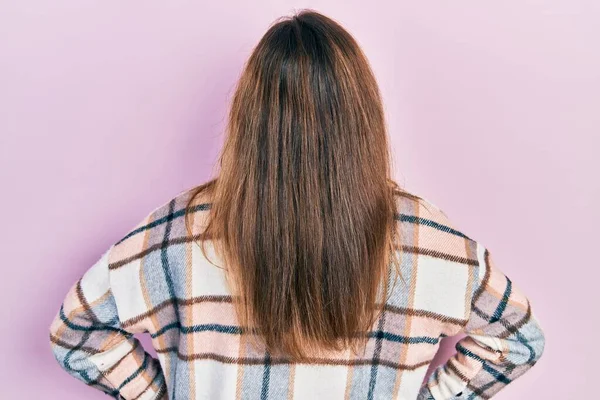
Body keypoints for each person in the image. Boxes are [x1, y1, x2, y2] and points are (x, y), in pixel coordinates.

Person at [48, 9, 545, 400]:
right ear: (362, 120)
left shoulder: (179, 232)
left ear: (250, 116)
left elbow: (75, 330)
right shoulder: (428, 240)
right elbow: (518, 340)